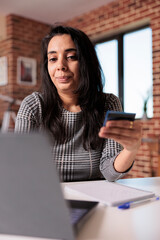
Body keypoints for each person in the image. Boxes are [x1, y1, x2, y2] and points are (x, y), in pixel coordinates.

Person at [15, 25, 142, 182]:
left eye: (71, 57)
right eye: (53, 59)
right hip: (46, 197)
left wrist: (131, 149)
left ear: (86, 62)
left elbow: (109, 172)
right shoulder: (33, 106)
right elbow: (20, 169)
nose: (60, 65)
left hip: (95, 198)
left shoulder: (108, 103)